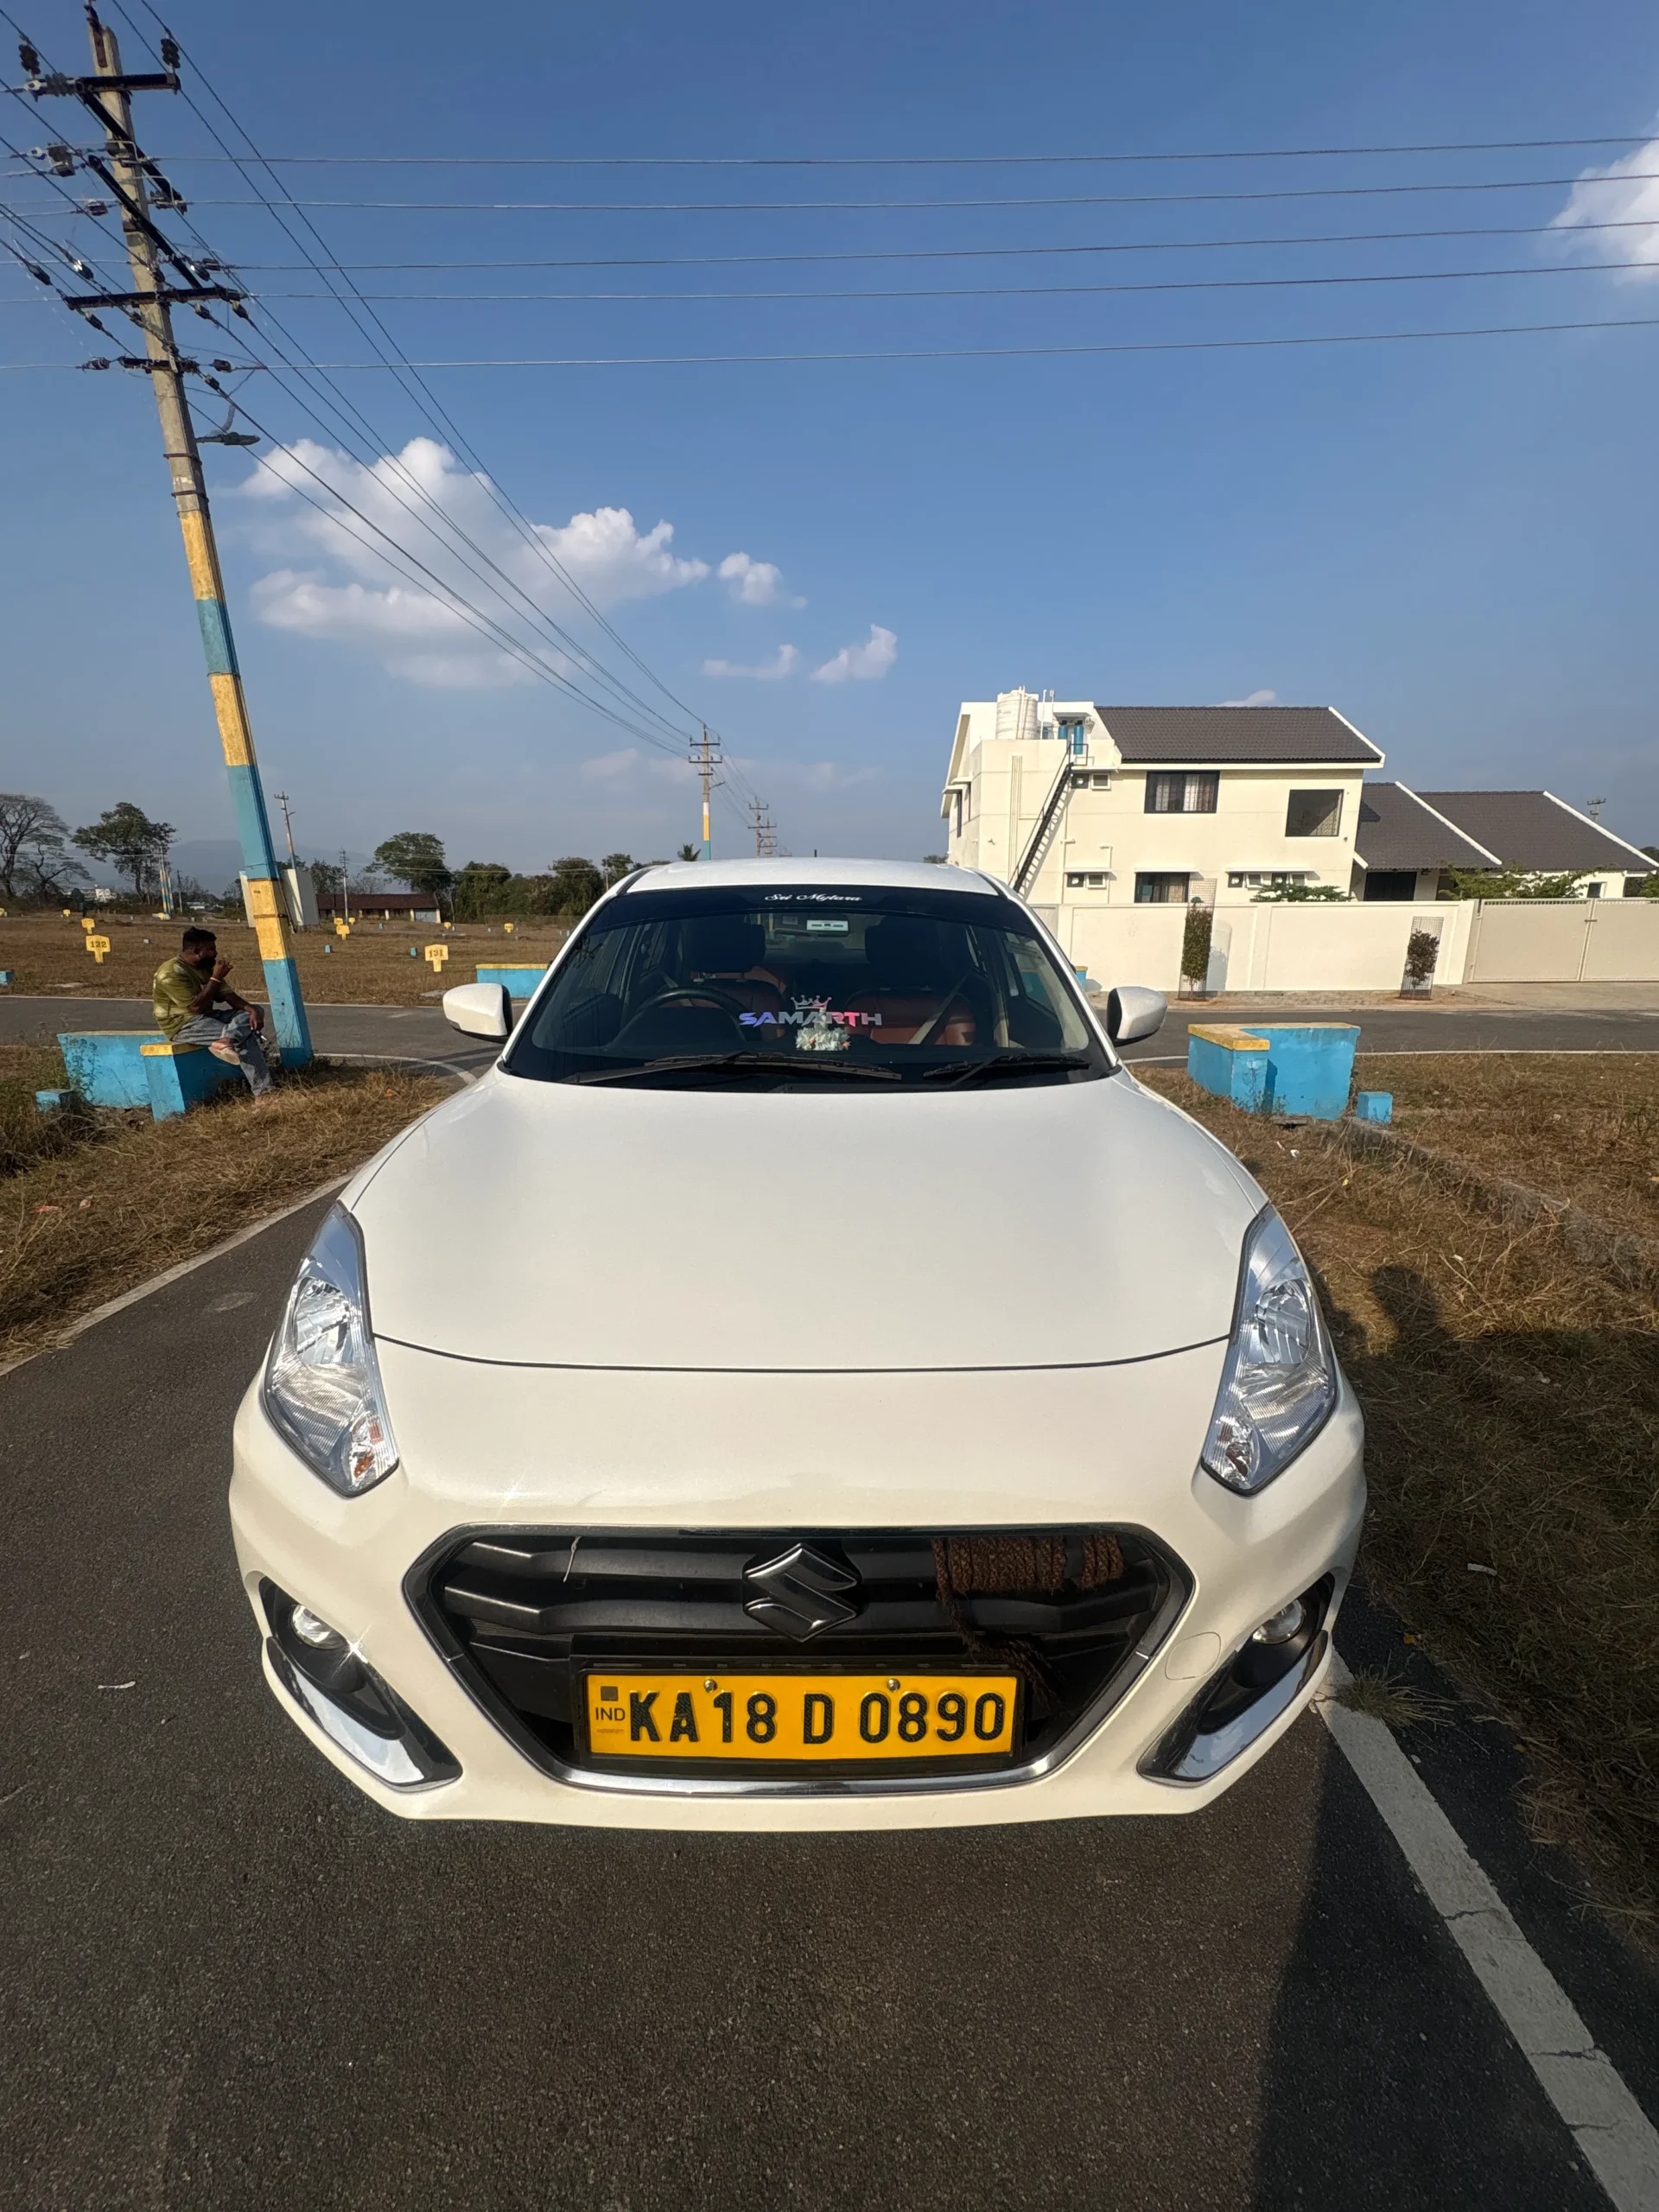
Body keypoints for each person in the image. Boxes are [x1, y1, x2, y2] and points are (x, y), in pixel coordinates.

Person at [152, 926, 276, 1101]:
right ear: (197, 951)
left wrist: (251, 1010)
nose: (216, 953)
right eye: (211, 949)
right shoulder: (170, 973)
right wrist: (215, 978)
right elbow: (194, 1008)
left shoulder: (206, 967)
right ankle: (264, 1095)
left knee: (253, 1013)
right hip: (182, 1024)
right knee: (245, 1036)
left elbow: (228, 996)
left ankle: (227, 1040)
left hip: (206, 1016)